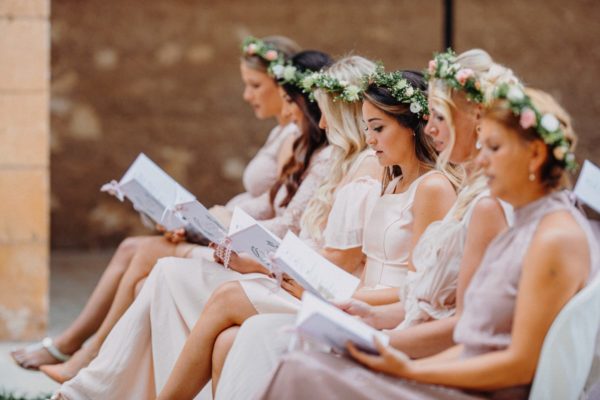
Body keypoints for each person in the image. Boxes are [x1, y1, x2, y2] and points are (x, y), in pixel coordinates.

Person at [213, 48, 519, 400]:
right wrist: (367, 315)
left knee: (274, 344)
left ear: (477, 119)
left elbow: (460, 319)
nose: (432, 128)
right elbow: (420, 296)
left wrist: (374, 332)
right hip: (384, 314)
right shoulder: (414, 184)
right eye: (431, 116)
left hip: (415, 342)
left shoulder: (472, 201)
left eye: (440, 117)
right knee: (248, 335)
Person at [258, 86, 599, 400]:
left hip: (481, 392)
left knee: (303, 369)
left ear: (536, 154)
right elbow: (471, 338)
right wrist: (377, 331)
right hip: (458, 374)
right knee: (303, 360)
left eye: (493, 148)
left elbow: (520, 365)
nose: (480, 160)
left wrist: (410, 369)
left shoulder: (555, 237)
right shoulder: (525, 224)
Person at [156, 66, 459, 399]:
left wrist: (332, 298)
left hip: (382, 316)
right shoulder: (394, 181)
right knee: (228, 339)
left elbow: (414, 293)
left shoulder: (432, 188)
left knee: (243, 326)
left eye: (378, 128)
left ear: (411, 127)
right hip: (353, 299)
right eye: (366, 128)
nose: (369, 139)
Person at [51, 49, 334, 400]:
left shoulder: (324, 156)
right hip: (250, 244)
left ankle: (90, 364)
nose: (288, 110)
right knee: (148, 262)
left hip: (273, 261)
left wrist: (213, 229)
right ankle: (92, 365)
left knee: (155, 262)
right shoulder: (298, 142)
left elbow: (288, 223)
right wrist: (207, 219)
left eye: (290, 100)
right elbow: (266, 204)